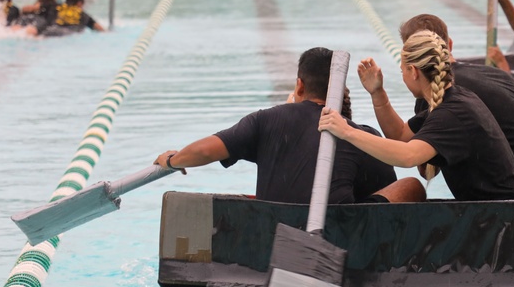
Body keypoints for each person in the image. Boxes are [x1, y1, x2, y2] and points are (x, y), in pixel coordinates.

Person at [155, 47, 423, 204]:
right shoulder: (364, 137)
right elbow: (386, 204)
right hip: (342, 240)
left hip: (274, 232)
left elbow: (204, 151)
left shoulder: (266, 120)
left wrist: (173, 160)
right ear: (343, 93)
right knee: (411, 185)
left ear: (299, 85)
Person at [320, 30, 514, 202]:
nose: (402, 76)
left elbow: (407, 156)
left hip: (505, 218)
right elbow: (400, 135)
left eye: (402, 70)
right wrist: (377, 93)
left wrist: (347, 131)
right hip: (503, 209)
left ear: (413, 71)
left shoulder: (453, 114)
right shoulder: (453, 100)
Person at [403, 15, 514, 199]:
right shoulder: (495, 74)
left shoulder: (440, 93)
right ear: (449, 44)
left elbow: (427, 171)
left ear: (411, 65)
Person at [38, 0, 105, 36]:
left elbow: (32, 8)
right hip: (68, 34)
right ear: (79, 3)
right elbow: (101, 30)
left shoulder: (55, 7)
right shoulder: (82, 14)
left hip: (49, 31)